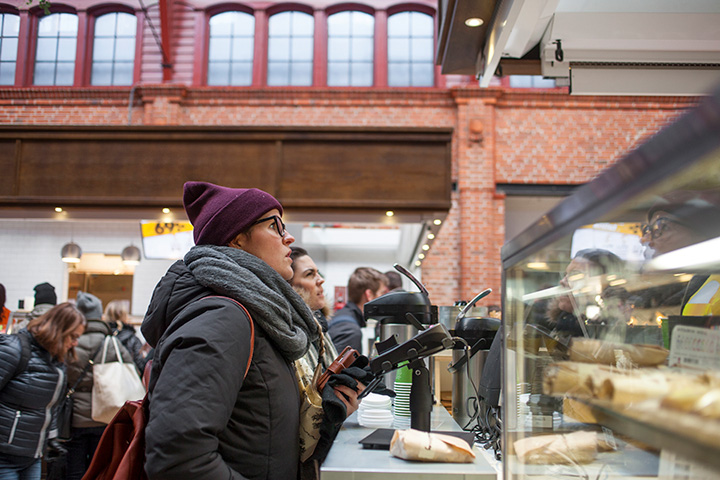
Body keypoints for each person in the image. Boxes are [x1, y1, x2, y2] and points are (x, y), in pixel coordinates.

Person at [141, 182, 363, 479]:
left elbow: (261, 432)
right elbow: (179, 458)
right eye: (275, 226)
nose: (289, 237)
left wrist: (326, 417)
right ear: (236, 239)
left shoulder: (262, 316)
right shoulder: (223, 318)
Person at [0, 303, 86, 480]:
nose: (75, 343)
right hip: (4, 455)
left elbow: (51, 406)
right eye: (73, 336)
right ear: (58, 330)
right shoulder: (14, 349)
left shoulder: (57, 362)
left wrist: (52, 438)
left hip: (32, 455)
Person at [64, 291, 134, 480]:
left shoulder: (70, 343)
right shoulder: (112, 343)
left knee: (74, 469)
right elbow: (131, 368)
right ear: (100, 316)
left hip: (75, 418)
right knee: (100, 468)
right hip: (105, 414)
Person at [328, 267, 388, 353]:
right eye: (382, 293)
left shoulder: (341, 315)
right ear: (369, 295)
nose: (384, 298)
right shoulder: (350, 331)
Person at [103, 300, 147, 373]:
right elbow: (141, 366)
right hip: (126, 381)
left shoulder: (101, 337)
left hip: (103, 380)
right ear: (125, 316)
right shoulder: (132, 339)